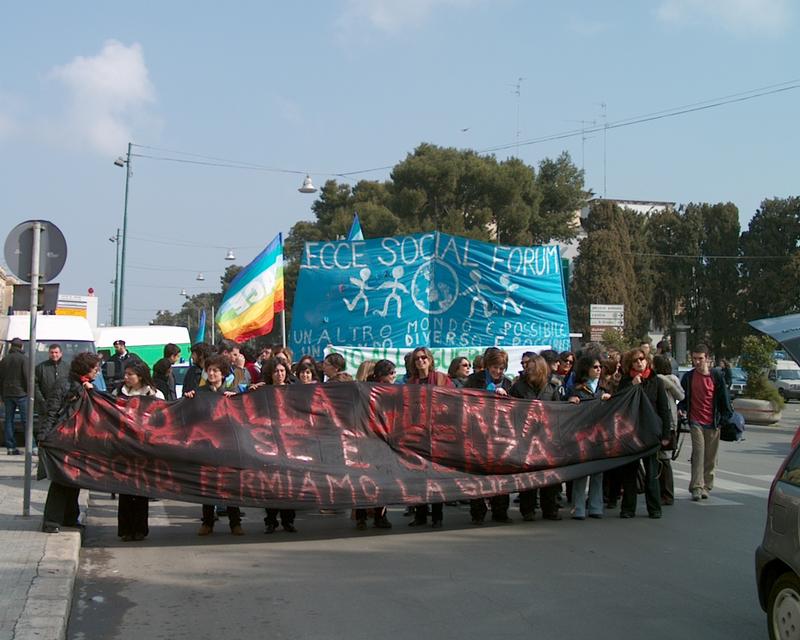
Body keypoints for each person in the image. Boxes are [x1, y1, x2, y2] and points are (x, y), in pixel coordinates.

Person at [40, 352, 102, 533]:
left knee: (74, 481)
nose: (97, 372)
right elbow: (52, 411)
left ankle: (69, 518)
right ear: (85, 369)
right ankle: (51, 521)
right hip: (63, 439)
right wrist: (44, 437)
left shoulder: (87, 385)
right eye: (95, 369)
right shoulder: (66, 384)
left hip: (79, 441)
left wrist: (90, 390)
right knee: (60, 482)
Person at [617, 348, 672, 519]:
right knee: (630, 474)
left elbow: (664, 409)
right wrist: (632, 386)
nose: (639, 362)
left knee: (652, 473)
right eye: (635, 360)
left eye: (642, 359)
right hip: (631, 433)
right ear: (630, 364)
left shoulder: (656, 381)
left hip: (651, 433)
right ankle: (628, 508)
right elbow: (619, 404)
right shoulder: (627, 381)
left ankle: (654, 508)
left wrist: (665, 435)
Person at [113, 361, 164, 541]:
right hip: (124, 447)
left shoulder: (154, 394)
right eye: (125, 374)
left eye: (130, 374)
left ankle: (140, 529)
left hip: (144, 449)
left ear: (140, 376)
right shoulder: (118, 393)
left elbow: (163, 418)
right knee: (125, 490)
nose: (126, 378)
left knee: (141, 491)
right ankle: (125, 529)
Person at [509, 355, 562, 521]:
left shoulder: (552, 388)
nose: (529, 372)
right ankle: (528, 510)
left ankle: (550, 509)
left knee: (549, 477)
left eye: (532, 369)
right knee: (528, 477)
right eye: (527, 369)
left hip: (546, 439)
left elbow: (558, 412)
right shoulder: (518, 387)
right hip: (525, 438)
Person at [195, 355, 244, 536]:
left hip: (227, 446)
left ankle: (235, 523)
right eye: (209, 370)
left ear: (223, 373)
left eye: (215, 370)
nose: (212, 373)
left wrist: (237, 398)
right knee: (208, 486)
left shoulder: (231, 392)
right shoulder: (200, 393)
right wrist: (189, 398)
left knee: (231, 486)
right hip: (207, 446)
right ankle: (207, 522)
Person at [464, 347, 514, 525]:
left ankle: (500, 511)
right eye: (495, 367)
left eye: (501, 368)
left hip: (500, 435)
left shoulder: (508, 384)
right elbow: (466, 401)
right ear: (487, 366)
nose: (498, 371)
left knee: (502, 474)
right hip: (478, 434)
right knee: (478, 476)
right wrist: (489, 394)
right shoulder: (473, 380)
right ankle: (477, 512)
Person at [679, 344, 733, 501]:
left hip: (713, 422)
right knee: (698, 453)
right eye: (694, 359)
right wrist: (681, 409)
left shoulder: (716, 376)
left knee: (710, 457)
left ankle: (706, 486)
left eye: (700, 359)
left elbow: (724, 398)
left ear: (707, 359)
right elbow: (683, 398)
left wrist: (724, 418)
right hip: (695, 421)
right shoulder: (688, 377)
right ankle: (696, 486)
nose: (697, 362)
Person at [407, 346, 453, 528]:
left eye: (424, 357)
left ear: (430, 359)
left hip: (438, 432)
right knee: (419, 475)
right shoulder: (411, 383)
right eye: (417, 359)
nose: (421, 361)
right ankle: (420, 515)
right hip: (417, 433)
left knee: (436, 475)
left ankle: (437, 515)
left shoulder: (442, 379)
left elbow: (452, 401)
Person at [567, 355, 611, 520]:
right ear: (587, 369)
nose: (599, 370)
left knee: (598, 473)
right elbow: (568, 408)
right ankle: (578, 508)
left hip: (599, 435)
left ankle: (595, 507)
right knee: (581, 473)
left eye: (600, 367)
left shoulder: (604, 388)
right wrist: (571, 401)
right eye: (595, 367)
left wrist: (608, 400)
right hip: (582, 436)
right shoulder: (577, 389)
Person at [262, 357, 298, 533]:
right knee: (272, 484)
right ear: (271, 374)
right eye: (276, 371)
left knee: (289, 483)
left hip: (290, 443)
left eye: (282, 371)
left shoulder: (293, 391)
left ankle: (288, 520)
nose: (280, 374)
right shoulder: (263, 391)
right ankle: (270, 520)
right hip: (270, 442)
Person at [653, 354, 684, 506]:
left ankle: (667, 493)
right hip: (665, 422)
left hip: (668, 423)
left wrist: (662, 380)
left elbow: (681, 396)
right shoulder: (667, 380)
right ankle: (661, 491)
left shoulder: (668, 380)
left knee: (664, 458)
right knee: (660, 458)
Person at [34, 343, 69, 451]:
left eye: (56, 352)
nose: (54, 355)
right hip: (45, 407)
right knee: (45, 432)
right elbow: (35, 386)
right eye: (52, 352)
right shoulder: (41, 367)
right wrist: (42, 400)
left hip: (62, 408)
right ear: (48, 353)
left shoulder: (67, 367)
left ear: (61, 353)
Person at [0, 337, 28, 455]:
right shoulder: (24, 359)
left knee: (8, 421)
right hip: (21, 394)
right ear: (21, 346)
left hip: (7, 394)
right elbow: (27, 377)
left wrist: (1, 394)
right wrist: (30, 392)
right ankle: (31, 446)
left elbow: (0, 379)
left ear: (11, 346)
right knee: (26, 421)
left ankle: (10, 447)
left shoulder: (4, 360)